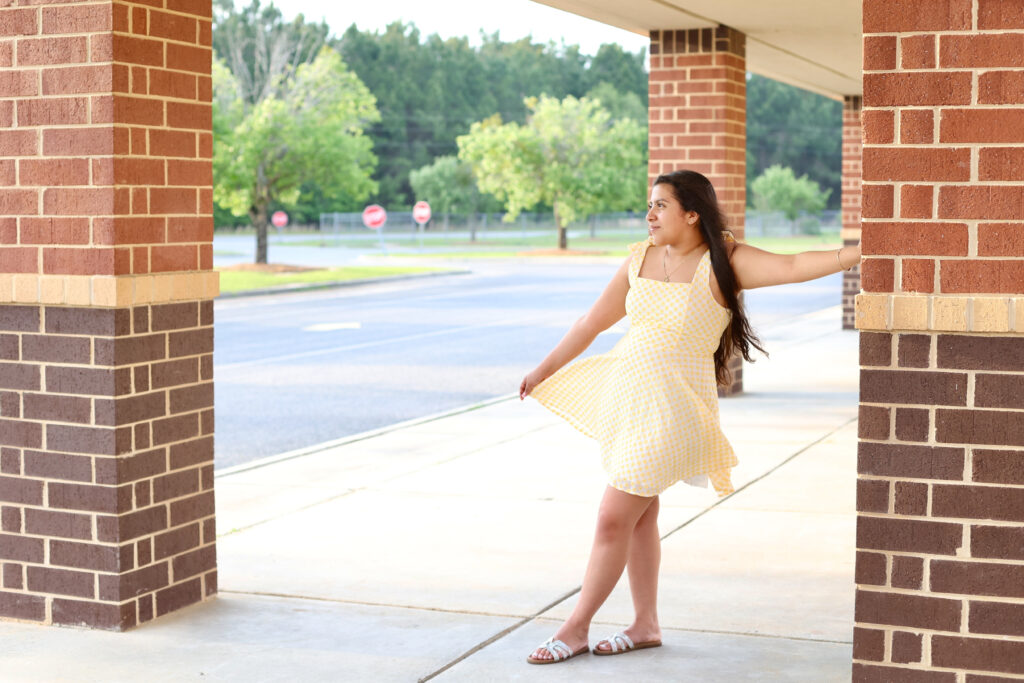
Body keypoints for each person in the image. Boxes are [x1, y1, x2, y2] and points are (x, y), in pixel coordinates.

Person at [518, 169, 861, 664]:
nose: (649, 214)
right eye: (649, 205)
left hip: (673, 409)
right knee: (640, 518)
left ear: (691, 214)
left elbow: (792, 265)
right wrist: (542, 370)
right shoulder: (639, 258)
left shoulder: (725, 263)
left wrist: (859, 253)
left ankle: (574, 628)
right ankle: (645, 624)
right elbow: (590, 322)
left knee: (613, 518)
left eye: (660, 205)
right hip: (628, 399)